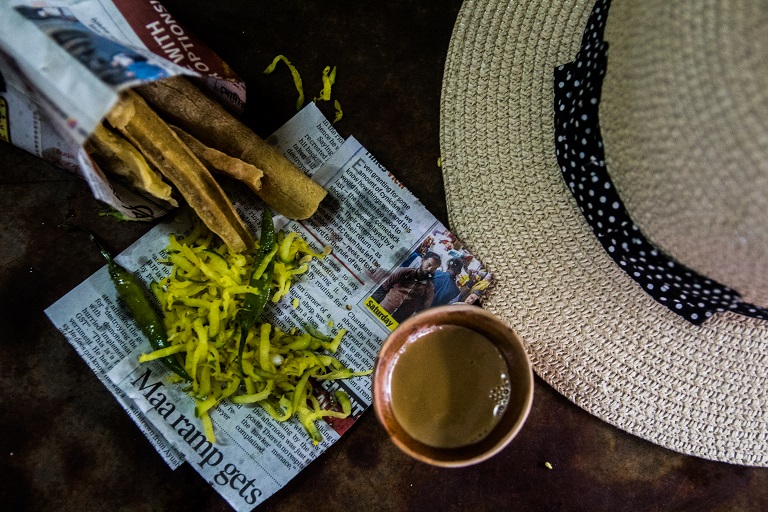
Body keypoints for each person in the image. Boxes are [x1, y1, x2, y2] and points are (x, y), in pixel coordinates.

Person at [377, 252, 441, 322]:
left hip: (399, 322)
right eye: (428, 265)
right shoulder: (403, 271)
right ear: (422, 261)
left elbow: (423, 310)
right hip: (382, 310)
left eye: (434, 268)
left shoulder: (429, 289)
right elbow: (384, 286)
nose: (429, 269)